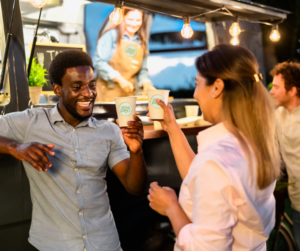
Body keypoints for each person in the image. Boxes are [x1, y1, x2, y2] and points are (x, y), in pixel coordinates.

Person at [0, 50, 147, 251]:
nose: (88, 93)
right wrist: (15, 147)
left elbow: (135, 187)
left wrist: (136, 151)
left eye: (92, 85)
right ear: (58, 90)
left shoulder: (109, 131)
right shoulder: (31, 122)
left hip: (104, 244)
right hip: (54, 245)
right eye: (77, 87)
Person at [147, 44, 281, 250]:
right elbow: (202, 178)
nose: (195, 94)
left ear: (217, 87)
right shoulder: (254, 140)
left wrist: (171, 208)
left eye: (197, 83)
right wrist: (172, 128)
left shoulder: (216, 159)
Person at [94, 8, 155, 102]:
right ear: (123, 18)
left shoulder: (142, 42)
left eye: (138, 20)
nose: (134, 24)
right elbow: (99, 62)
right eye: (130, 19)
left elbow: (143, 70)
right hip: (107, 93)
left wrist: (146, 83)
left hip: (128, 95)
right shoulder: (110, 36)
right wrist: (120, 79)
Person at [270, 61, 300, 250]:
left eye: (276, 87)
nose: (272, 91)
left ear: (292, 91)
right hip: (296, 200)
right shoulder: (278, 115)